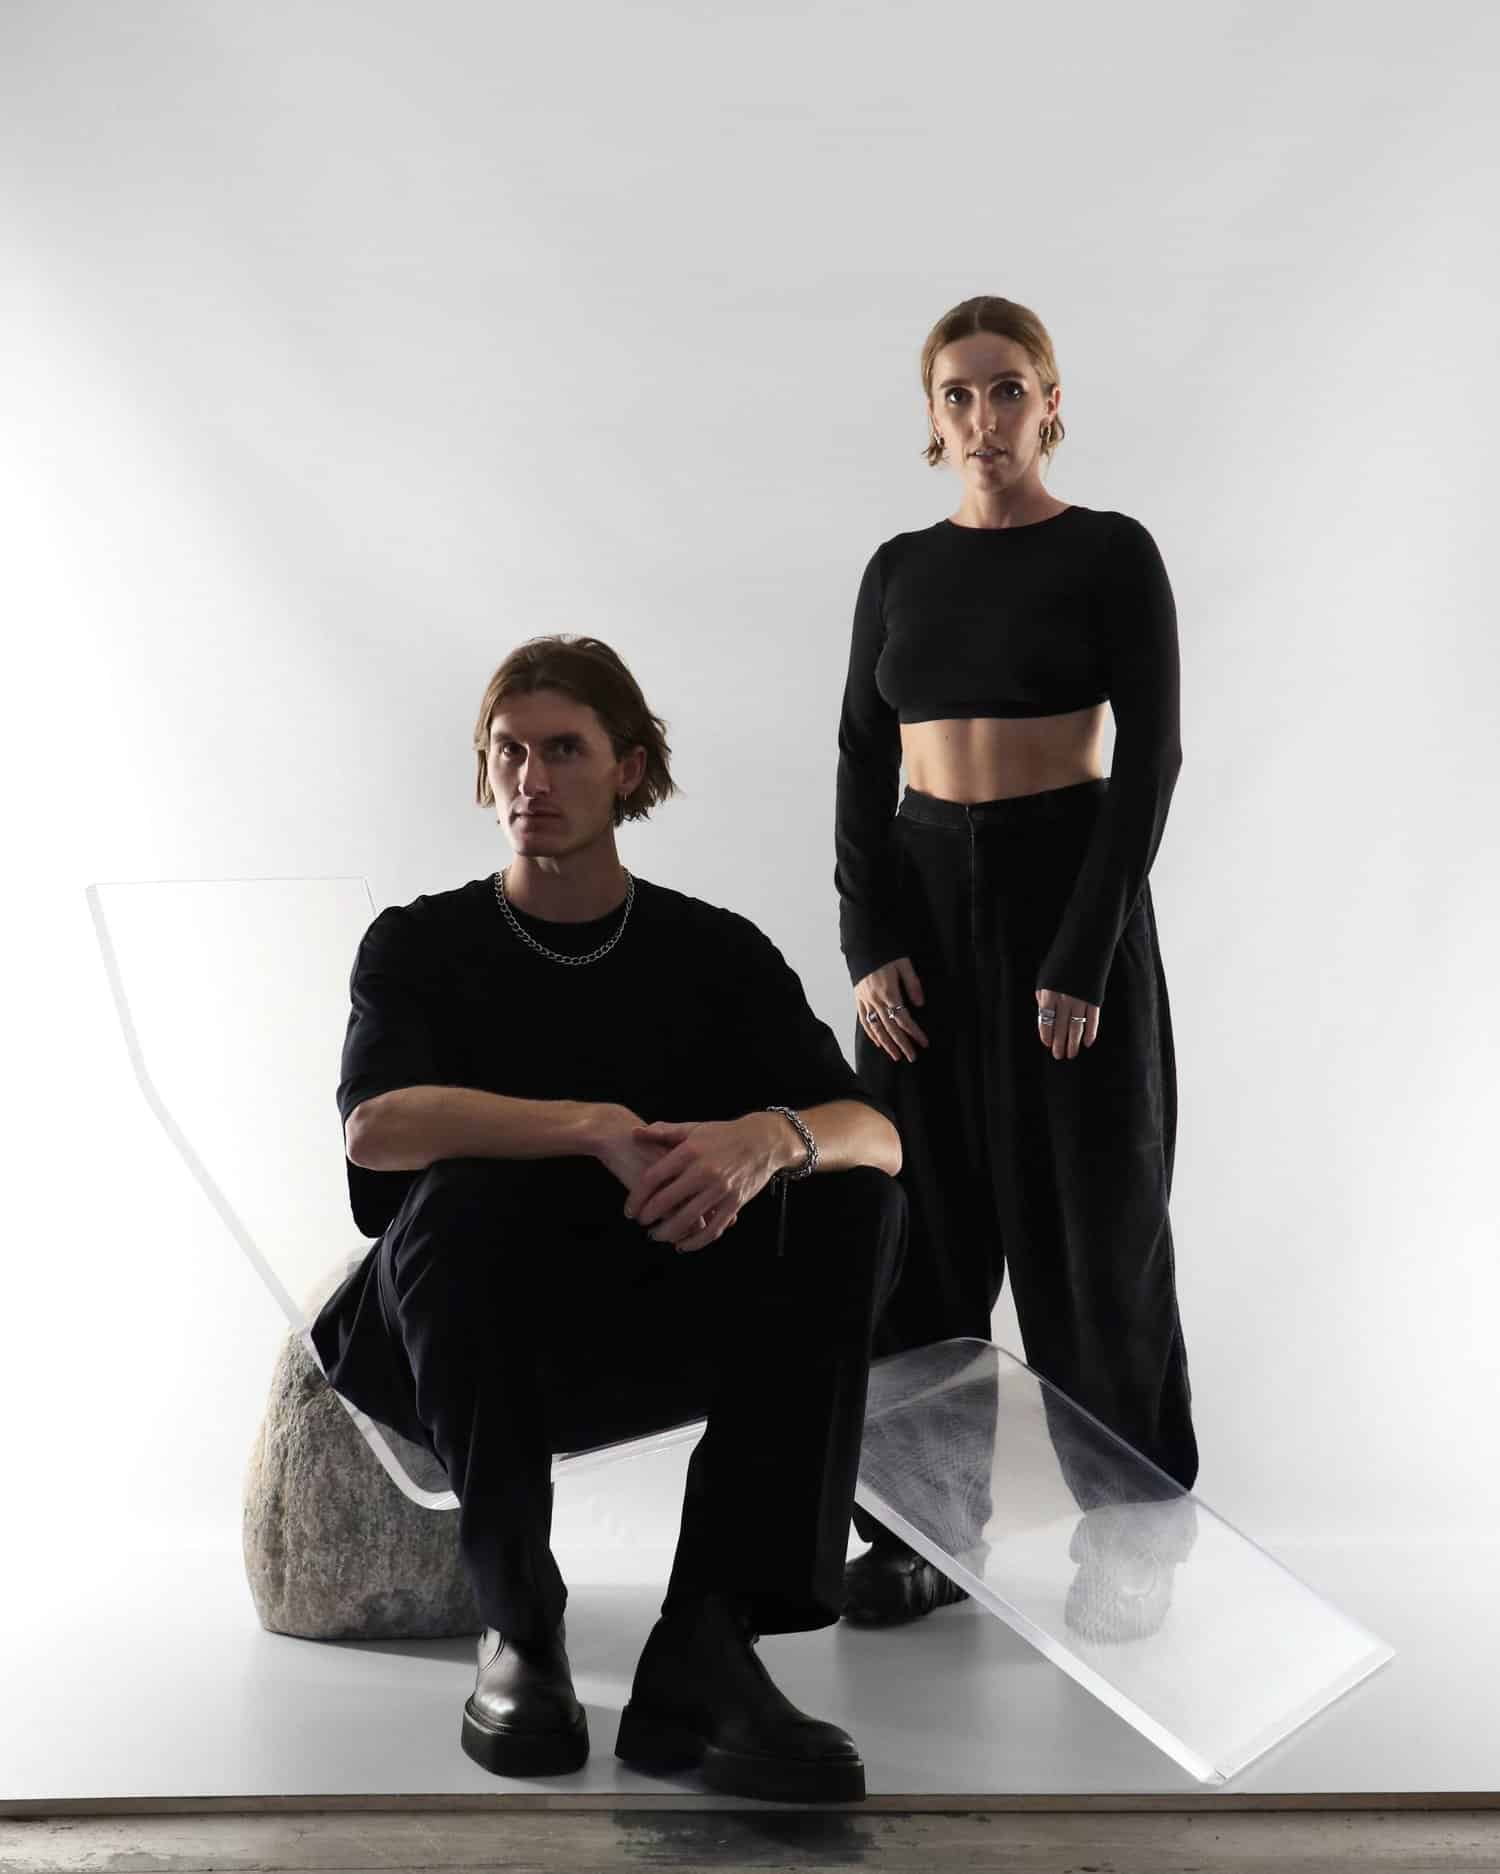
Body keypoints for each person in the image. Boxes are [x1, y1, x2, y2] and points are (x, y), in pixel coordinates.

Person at [311, 635, 906, 1803]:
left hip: (646, 1323)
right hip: (454, 1336)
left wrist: (768, 1137)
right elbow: (375, 1128)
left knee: (854, 1202)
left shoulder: (713, 950)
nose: (530, 778)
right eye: (508, 752)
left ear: (629, 768)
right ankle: (520, 1628)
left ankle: (709, 1645)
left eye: (564, 750)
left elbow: (877, 1133)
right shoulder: (423, 942)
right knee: (459, 1199)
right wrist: (587, 1124)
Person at [833, 295, 1199, 1627]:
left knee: (1093, 1236)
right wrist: (868, 941)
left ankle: (1134, 1541)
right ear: (932, 418)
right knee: (915, 1238)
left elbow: (1149, 758)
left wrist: (1084, 948)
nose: (983, 416)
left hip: (1065, 894)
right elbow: (860, 761)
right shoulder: (897, 568)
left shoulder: (1110, 551)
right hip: (923, 908)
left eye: (1007, 388)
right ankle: (923, 1538)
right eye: (958, 393)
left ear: (1051, 403)